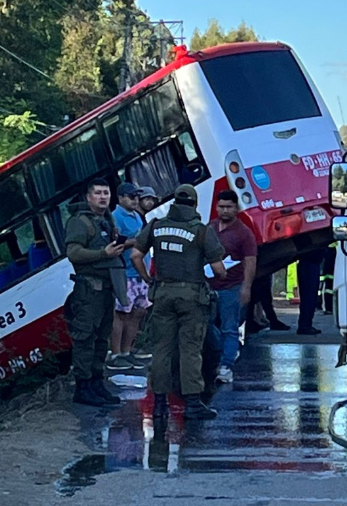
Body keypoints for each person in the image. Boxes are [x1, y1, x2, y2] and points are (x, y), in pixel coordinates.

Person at [131, 184, 226, 420]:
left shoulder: (156, 226)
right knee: (190, 349)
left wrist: (147, 278)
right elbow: (218, 268)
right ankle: (193, 403)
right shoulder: (201, 231)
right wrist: (221, 274)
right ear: (194, 204)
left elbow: (135, 255)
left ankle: (160, 405)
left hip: (162, 294)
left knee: (162, 349)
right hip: (191, 297)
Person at [64, 178, 129, 407]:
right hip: (88, 291)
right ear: (89, 196)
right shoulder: (79, 222)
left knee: (102, 339)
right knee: (85, 339)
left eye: (106, 193)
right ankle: (83, 388)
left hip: (105, 291)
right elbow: (74, 253)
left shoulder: (105, 219)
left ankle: (96, 382)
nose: (103, 197)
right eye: (98, 193)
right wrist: (104, 253)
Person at [205, 191, 257, 384]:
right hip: (208, 287)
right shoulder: (209, 228)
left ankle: (226, 365)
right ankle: (222, 354)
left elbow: (250, 261)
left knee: (230, 327)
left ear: (236, 208)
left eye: (228, 207)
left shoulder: (244, 233)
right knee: (206, 325)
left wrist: (246, 287)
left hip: (231, 287)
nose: (224, 210)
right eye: (221, 206)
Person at [107, 183, 152, 371]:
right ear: (120, 198)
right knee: (121, 315)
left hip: (141, 273)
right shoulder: (115, 217)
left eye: (136, 196)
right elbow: (115, 243)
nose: (135, 200)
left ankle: (128, 351)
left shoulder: (137, 216)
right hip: (126, 273)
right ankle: (116, 354)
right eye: (130, 196)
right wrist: (138, 241)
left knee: (137, 314)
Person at [295, 248, 325, 335]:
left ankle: (306, 325)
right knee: (309, 297)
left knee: (309, 297)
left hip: (309, 263)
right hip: (309, 264)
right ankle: (305, 326)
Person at [320, 243, 336, 314]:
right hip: (331, 250)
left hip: (325, 248)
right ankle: (328, 307)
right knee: (329, 281)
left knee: (325, 281)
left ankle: (319, 305)